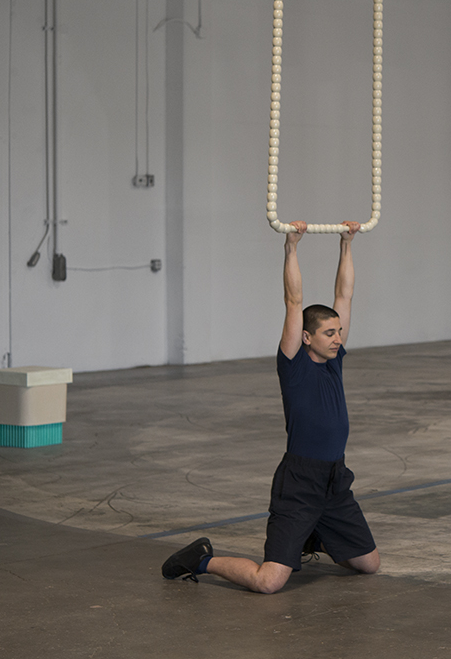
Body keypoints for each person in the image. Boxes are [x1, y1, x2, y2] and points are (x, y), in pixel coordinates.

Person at [161, 220, 380, 593]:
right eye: (330, 333)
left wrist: (347, 246)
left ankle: (315, 535)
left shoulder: (335, 360)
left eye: (339, 332)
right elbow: (293, 301)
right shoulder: (293, 365)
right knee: (269, 583)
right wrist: (291, 248)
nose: (338, 338)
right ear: (306, 337)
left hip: (335, 481)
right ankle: (201, 558)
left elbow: (345, 296)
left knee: (369, 564)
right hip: (300, 483)